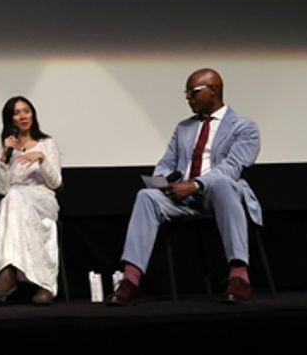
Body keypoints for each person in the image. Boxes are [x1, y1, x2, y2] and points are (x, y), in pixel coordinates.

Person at [106, 68, 263, 306]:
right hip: (182, 197)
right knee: (146, 196)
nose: (188, 98)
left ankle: (239, 278)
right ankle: (131, 281)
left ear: (214, 90)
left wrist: (196, 185)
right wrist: (164, 181)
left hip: (219, 195)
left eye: (193, 92)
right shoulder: (184, 128)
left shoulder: (244, 127)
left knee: (221, 183)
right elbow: (167, 162)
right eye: (186, 93)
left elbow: (232, 168)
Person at [0, 96, 62, 305]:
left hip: (42, 199)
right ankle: (40, 284)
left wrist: (41, 158)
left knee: (14, 197)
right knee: (13, 196)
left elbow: (55, 183)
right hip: (14, 202)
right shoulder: (5, 151)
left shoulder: (47, 144)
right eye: (18, 113)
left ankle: (10, 274)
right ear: (10, 119)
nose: (23, 116)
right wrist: (3, 158)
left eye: (26, 111)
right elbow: (2, 188)